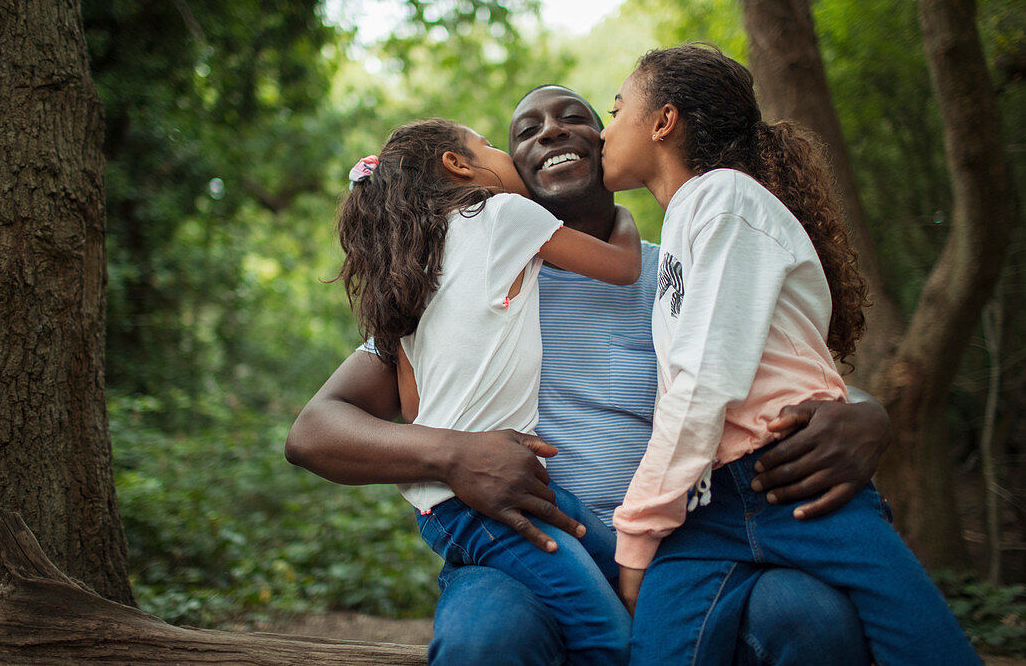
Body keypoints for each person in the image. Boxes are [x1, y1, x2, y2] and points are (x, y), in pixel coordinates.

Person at [287, 84, 891, 665]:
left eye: (574, 117)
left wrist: (866, 414)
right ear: (510, 172)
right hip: (519, 548)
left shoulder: (681, 271)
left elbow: (798, 371)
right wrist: (453, 455)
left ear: (611, 143)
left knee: (812, 620)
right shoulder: (456, 284)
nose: (551, 130)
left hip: (693, 545)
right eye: (524, 131)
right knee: (486, 640)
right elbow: (316, 431)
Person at [600, 44, 978, 665]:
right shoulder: (684, 225)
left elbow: (704, 379)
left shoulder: (724, 198)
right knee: (660, 651)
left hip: (796, 479)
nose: (606, 128)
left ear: (663, 121)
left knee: (927, 648)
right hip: (708, 503)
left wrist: (637, 529)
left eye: (616, 111)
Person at [335, 117, 640, 664]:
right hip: (484, 502)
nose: (501, 153)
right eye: (491, 145)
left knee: (624, 567)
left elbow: (415, 410)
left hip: (447, 505)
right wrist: (622, 214)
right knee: (611, 637)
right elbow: (622, 267)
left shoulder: (411, 269)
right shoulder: (504, 215)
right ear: (459, 166)